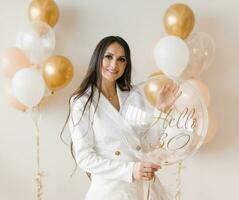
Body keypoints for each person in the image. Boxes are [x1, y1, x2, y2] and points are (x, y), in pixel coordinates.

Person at [65, 36, 179, 200]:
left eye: (121, 59)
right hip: (110, 191)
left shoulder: (133, 96)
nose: (114, 65)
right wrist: (130, 170)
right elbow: (84, 158)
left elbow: (146, 144)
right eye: (108, 57)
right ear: (98, 58)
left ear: (126, 64)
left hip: (144, 189)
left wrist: (161, 110)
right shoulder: (82, 102)